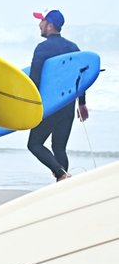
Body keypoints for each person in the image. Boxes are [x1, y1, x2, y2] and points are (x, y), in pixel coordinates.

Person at [27, 9, 87, 181]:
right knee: (59, 148)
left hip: (50, 106)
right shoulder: (73, 48)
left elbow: (35, 80)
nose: (39, 24)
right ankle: (63, 187)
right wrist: (81, 103)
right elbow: (81, 76)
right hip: (68, 105)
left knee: (34, 144)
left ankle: (61, 175)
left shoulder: (42, 48)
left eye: (42, 21)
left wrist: (30, 105)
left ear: (50, 25)